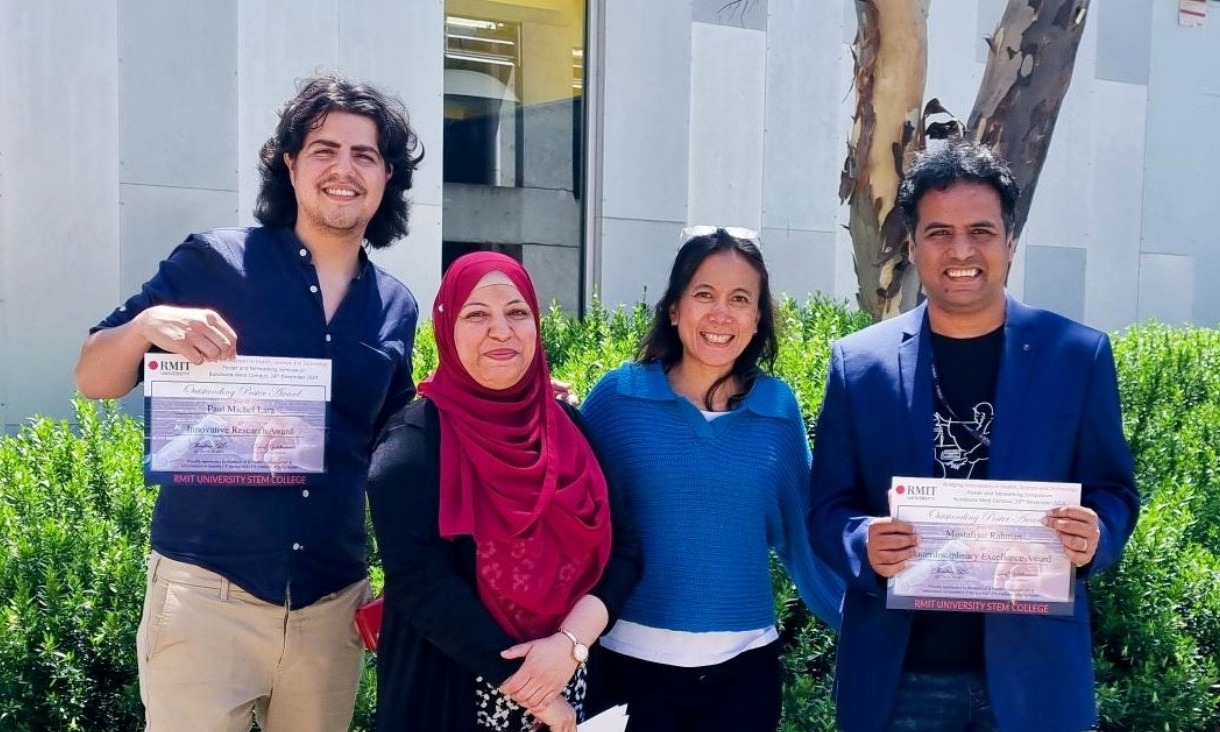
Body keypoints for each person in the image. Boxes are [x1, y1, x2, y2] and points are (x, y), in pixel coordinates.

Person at [73, 75, 423, 732]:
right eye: (324, 150)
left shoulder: (396, 306)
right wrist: (146, 326)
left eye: (365, 155)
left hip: (329, 605)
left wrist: (514, 397)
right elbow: (94, 377)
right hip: (206, 596)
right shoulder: (215, 261)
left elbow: (396, 439)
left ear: (386, 177)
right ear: (289, 164)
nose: (344, 169)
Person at [807, 141, 1140, 732]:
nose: (961, 251)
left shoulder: (1076, 356)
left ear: (1010, 242)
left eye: (980, 231)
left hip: (1035, 676)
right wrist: (862, 544)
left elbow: (1113, 491)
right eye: (939, 232)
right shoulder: (860, 364)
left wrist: (1097, 534)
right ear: (913, 246)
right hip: (899, 679)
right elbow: (827, 507)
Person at [579, 226, 844, 732]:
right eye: (704, 294)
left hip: (743, 679)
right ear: (674, 309)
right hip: (626, 670)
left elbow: (808, 539)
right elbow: (568, 514)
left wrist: (874, 622)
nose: (722, 313)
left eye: (740, 299)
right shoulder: (618, 399)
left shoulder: (778, 410)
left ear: (758, 317)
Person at [366, 251, 642, 732]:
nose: (501, 330)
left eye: (517, 312)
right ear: (447, 328)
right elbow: (421, 582)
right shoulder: (413, 442)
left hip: (572, 686)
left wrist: (571, 645)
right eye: (476, 315)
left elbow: (626, 550)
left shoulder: (568, 427)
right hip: (451, 700)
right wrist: (534, 690)